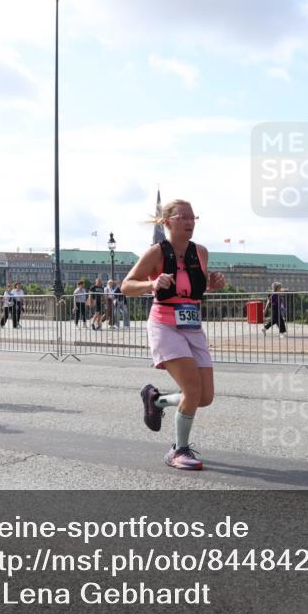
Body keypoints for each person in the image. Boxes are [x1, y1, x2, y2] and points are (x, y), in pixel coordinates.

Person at [122, 199, 226, 470]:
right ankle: (178, 451)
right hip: (165, 325)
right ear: (168, 222)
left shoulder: (201, 253)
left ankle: (155, 400)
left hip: (192, 326)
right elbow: (126, 286)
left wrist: (212, 286)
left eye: (193, 218)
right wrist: (152, 283)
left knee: (204, 397)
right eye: (184, 217)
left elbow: (193, 289)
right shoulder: (156, 252)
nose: (190, 222)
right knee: (192, 389)